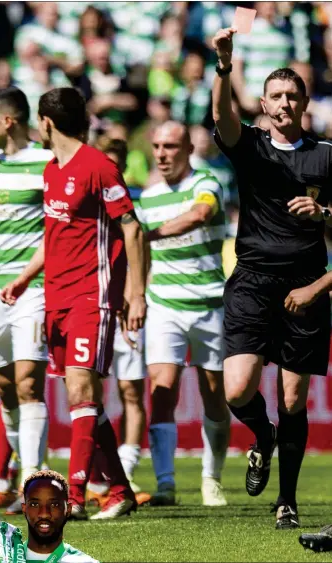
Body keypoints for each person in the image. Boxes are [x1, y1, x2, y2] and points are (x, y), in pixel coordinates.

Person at [0, 87, 147, 520]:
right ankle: (119, 490)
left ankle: (76, 497)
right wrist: (25, 278)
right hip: (56, 298)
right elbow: (53, 236)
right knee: (83, 402)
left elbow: (132, 229)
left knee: (82, 392)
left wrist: (135, 294)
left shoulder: (98, 166)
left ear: (45, 122)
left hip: (92, 296)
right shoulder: (51, 171)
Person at [211, 27, 332, 529]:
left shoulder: (326, 155)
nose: (283, 102)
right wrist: (223, 66)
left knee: (292, 398)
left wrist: (324, 212)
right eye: (275, 95)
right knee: (237, 390)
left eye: (292, 95)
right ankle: (260, 436)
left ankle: (287, 501)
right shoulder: (251, 146)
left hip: (306, 284)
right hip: (254, 280)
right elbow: (221, 116)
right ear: (262, 103)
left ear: (304, 101)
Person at [136, 120, 230, 507]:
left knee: (214, 395)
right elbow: (140, 256)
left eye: (171, 146)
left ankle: (211, 478)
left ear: (188, 149)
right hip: (164, 306)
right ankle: (166, 483)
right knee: (161, 391)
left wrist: (152, 234)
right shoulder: (146, 197)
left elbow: (200, 215)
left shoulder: (206, 183)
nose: (161, 154)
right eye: (157, 146)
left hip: (209, 304)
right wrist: (136, 296)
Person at [0, 87, 52, 511]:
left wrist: (26, 277)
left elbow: (57, 229)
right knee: (5, 391)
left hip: (32, 288)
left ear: (8, 121)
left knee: (28, 384)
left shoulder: (46, 162)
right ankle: (22, 467)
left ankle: (35, 484)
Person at [87, 137, 150, 505]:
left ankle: (123, 468)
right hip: (96, 304)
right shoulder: (90, 209)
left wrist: (136, 296)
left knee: (130, 390)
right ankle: (102, 480)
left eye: (117, 163)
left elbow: (144, 256)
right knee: (90, 393)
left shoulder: (131, 212)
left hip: (127, 307)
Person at [22, 469, 100, 561]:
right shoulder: (6, 557)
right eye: (35, 504)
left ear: (68, 509)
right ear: (24, 509)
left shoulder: (83, 561)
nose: (44, 514)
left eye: (54, 505)